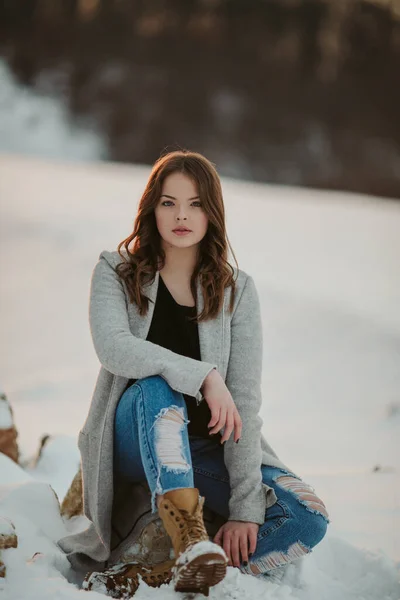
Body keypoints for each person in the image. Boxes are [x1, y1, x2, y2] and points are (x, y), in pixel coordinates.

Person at [59, 150, 329, 597]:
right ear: (152, 208)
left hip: (203, 449)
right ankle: (189, 541)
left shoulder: (236, 291)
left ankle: (185, 571)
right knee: (156, 386)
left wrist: (245, 508)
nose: (181, 215)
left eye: (195, 203)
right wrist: (203, 376)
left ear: (212, 212)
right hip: (132, 437)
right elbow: (115, 349)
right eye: (168, 202)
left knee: (305, 516)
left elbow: (243, 403)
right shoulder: (116, 270)